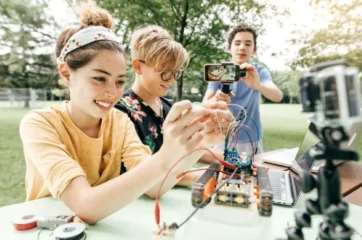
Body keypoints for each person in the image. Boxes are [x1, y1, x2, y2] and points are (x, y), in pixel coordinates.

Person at [19, 1, 232, 224]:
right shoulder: (39, 124)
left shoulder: (119, 121)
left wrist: (198, 143)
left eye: (120, 81)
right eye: (99, 78)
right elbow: (86, 206)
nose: (112, 92)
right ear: (66, 73)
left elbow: (154, 186)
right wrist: (166, 155)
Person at [115, 25, 228, 168]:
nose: (172, 79)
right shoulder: (120, 112)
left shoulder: (169, 106)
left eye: (176, 72)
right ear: (138, 66)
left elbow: (191, 150)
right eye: (165, 71)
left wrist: (237, 163)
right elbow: (147, 173)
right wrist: (217, 175)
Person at [203, 23, 283, 155]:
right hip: (222, 136)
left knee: (253, 174)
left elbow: (278, 96)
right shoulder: (219, 71)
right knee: (221, 173)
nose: (242, 47)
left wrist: (259, 86)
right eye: (237, 43)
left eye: (248, 44)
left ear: (254, 49)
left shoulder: (259, 71)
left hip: (251, 137)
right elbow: (205, 103)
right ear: (229, 48)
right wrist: (216, 98)